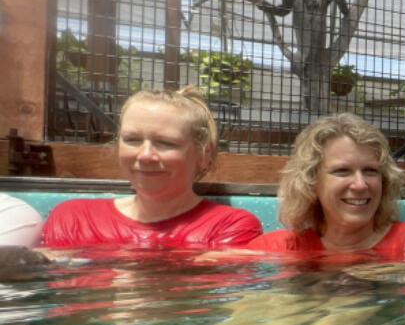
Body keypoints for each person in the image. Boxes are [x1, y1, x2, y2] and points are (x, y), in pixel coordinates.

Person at [42, 87, 262, 248]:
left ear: (203, 154)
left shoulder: (228, 226)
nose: (145, 155)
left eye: (166, 143)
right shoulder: (74, 218)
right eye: (132, 139)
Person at [247, 113, 405, 258]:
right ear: (311, 182)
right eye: (342, 171)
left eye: (370, 171)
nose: (360, 185)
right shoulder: (276, 249)